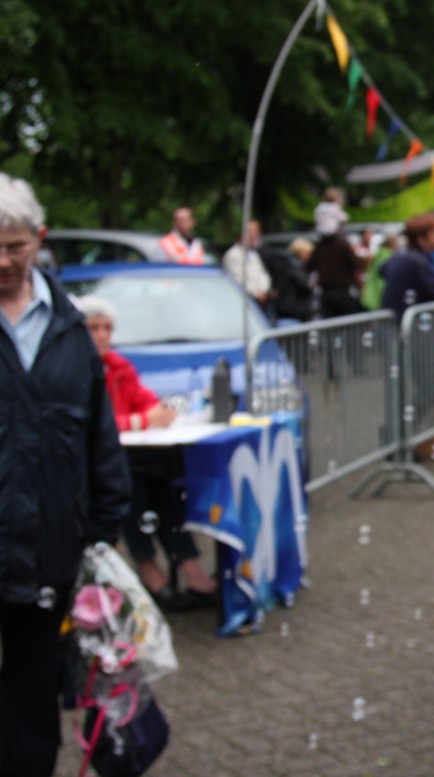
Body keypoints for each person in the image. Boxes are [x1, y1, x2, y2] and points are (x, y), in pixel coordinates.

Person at [0, 174, 131, 777]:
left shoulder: (71, 329)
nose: (4, 261)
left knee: (34, 697)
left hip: (50, 552)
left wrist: (103, 529)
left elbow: (99, 435)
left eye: (15, 246)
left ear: (39, 239)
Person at [76, 296, 218, 609]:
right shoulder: (74, 369)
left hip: (124, 455)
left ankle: (186, 563)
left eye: (107, 328)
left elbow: (145, 400)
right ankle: (151, 567)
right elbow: (93, 424)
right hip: (88, 462)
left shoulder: (118, 366)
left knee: (162, 480)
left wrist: (163, 410)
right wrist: (143, 420)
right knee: (131, 482)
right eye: (93, 328)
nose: (101, 335)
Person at [222, 220, 273, 307]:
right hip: (243, 301)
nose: (255, 235)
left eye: (257, 232)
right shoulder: (233, 255)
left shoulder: (253, 254)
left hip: (259, 300)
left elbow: (263, 274)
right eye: (252, 232)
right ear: (242, 234)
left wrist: (263, 290)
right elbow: (238, 280)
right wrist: (257, 293)